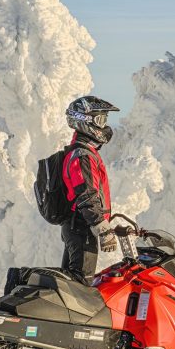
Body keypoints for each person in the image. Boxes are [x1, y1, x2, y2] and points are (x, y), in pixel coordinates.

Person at [60, 95, 119, 283]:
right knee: (80, 286)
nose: (104, 126)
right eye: (100, 120)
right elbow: (86, 194)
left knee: (70, 282)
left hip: (79, 226)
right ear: (85, 122)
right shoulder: (82, 155)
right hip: (81, 226)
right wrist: (101, 226)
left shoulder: (85, 152)